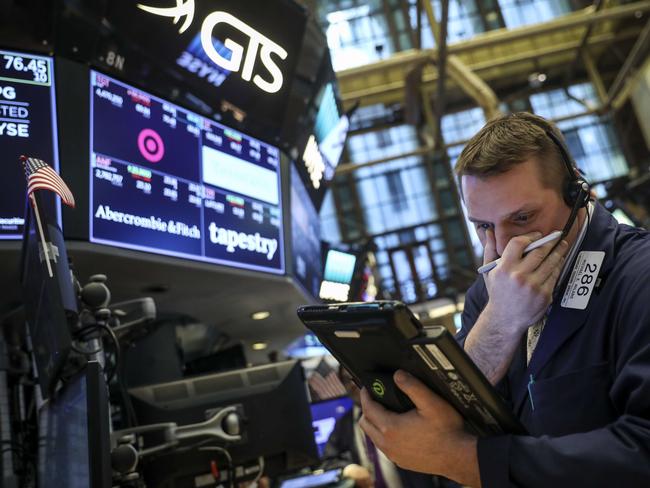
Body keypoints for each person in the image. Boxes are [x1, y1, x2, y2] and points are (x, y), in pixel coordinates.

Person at [357, 112, 650, 487]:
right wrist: (500, 321)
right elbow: (443, 422)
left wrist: (467, 461)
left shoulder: (638, 276)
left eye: (523, 217)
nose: (501, 249)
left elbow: (641, 450)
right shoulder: (488, 293)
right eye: (483, 226)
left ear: (575, 191)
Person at [324, 366, 444, 487]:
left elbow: (440, 453)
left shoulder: (398, 409)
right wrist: (348, 468)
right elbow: (328, 460)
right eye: (345, 380)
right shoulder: (344, 423)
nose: (352, 384)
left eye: (354, 377)